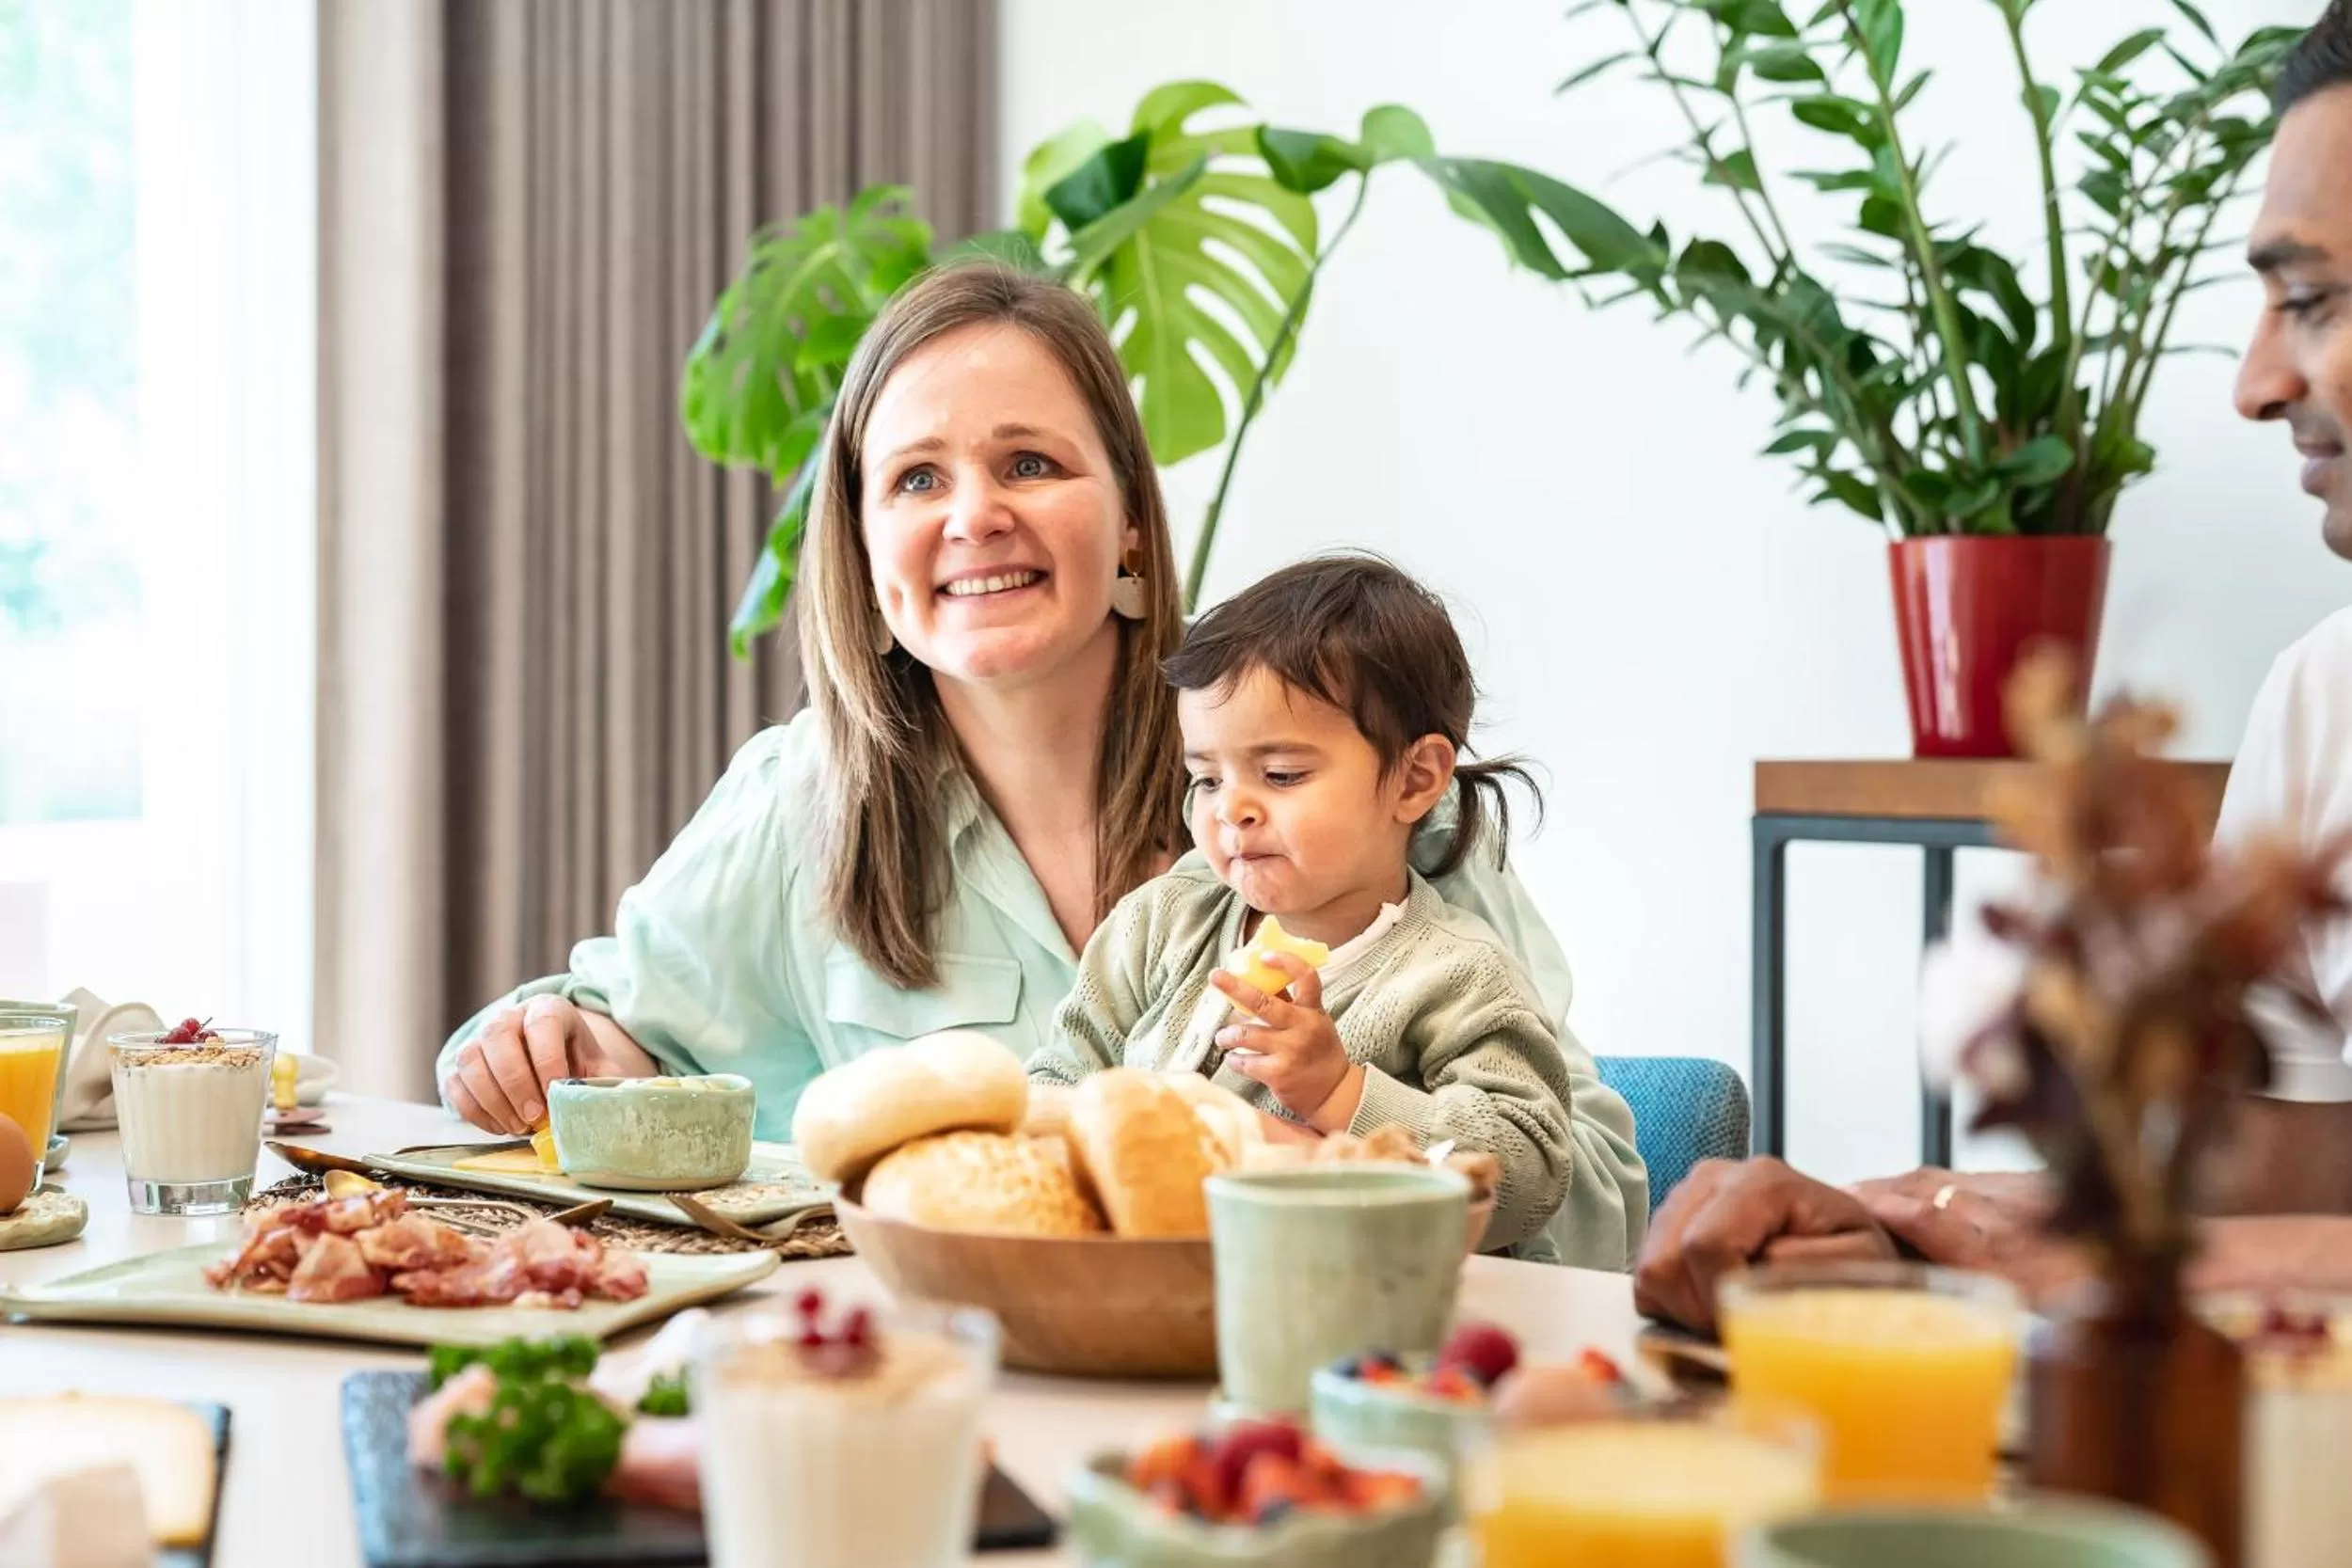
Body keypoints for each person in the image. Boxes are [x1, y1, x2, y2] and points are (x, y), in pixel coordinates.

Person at [432, 263, 1652, 1267]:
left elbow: (1594, 1190)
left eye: (1030, 463)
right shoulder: (800, 797)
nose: (973, 515)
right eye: (917, 477)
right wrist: (535, 1045)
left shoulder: (1347, 774)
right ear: (863, 546)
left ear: (1128, 518)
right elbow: (611, 1034)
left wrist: (1354, 1144)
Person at [1634, 3, 2352, 1333]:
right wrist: (1920, 1217)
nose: (2256, 382)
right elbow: (2300, 1173)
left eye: (2311, 300)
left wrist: (2033, 1254)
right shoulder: (2327, 689)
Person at [1030, 555, 1606, 1260]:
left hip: (1362, 1313)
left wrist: (1340, 1092)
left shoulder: (1460, 976)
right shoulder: (1160, 924)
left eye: (1281, 775)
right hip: (1147, 1296)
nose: (1231, 810)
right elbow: (1058, 1078)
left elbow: (1528, 1173)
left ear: (1416, 779)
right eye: (1207, 779)